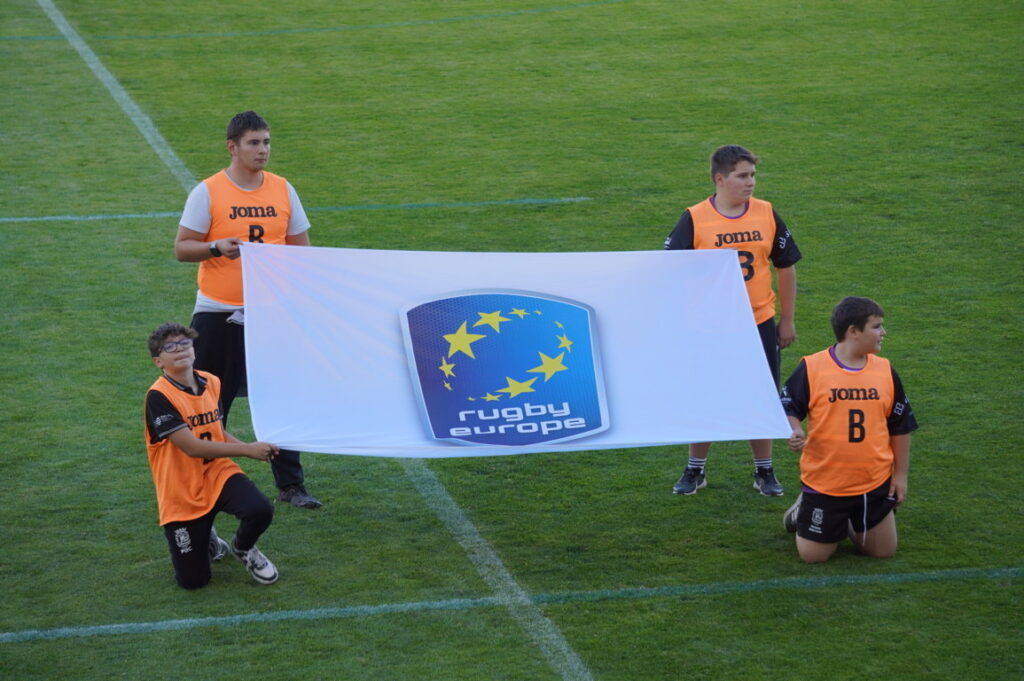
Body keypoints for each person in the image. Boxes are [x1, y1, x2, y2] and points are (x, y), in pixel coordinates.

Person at [174, 110, 321, 509]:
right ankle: (207, 480)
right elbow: (182, 247)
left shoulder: (282, 189)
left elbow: (300, 251)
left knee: (283, 396)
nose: (263, 151)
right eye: (254, 143)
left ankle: (291, 485)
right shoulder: (208, 192)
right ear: (233, 147)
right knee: (208, 402)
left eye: (267, 142)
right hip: (218, 312)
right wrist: (215, 248)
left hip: (271, 313)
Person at [665, 144, 802, 496]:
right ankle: (695, 470)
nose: (751, 183)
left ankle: (764, 471)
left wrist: (786, 320)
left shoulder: (766, 213)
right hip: (710, 326)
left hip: (758, 323)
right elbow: (668, 271)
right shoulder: (695, 217)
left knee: (762, 397)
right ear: (720, 179)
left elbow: (786, 266)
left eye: (753, 175)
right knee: (705, 396)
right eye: (743, 176)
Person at [780, 297, 918, 563]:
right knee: (813, 557)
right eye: (877, 327)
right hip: (826, 483)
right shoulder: (812, 367)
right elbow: (788, 406)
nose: (883, 333)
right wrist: (795, 430)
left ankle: (849, 520)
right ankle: (803, 510)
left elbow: (901, 426)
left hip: (873, 481)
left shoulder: (886, 370)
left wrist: (900, 476)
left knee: (882, 552)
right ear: (853, 331)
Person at [144, 322, 281, 588]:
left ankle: (244, 548)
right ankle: (208, 539)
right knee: (194, 582)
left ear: (194, 349)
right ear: (159, 361)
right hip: (181, 490)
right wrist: (247, 450)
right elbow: (192, 447)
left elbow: (215, 432)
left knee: (260, 509)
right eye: (170, 347)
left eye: (184, 343)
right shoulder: (158, 396)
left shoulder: (212, 382)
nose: (180, 349)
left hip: (218, 473)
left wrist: (250, 445)